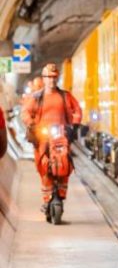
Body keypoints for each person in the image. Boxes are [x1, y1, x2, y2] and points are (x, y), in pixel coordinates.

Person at [21, 64, 82, 215]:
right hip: (42, 137)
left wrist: (74, 125)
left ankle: (61, 193)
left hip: (61, 136)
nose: (52, 80)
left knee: (64, 164)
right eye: (49, 77)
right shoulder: (37, 97)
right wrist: (31, 124)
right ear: (44, 79)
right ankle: (47, 198)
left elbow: (77, 110)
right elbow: (25, 112)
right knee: (44, 166)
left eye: (54, 77)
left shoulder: (65, 96)